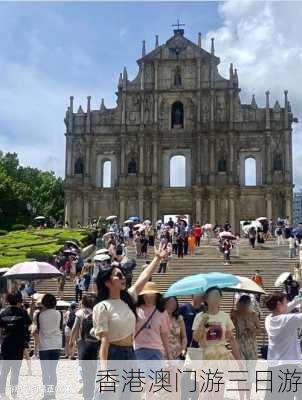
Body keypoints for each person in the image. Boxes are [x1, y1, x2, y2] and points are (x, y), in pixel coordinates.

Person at [92, 245, 168, 361]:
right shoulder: (102, 307)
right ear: (107, 282)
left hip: (131, 351)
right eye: (118, 275)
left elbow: (144, 277)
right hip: (113, 353)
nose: (123, 278)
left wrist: (157, 259)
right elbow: (104, 340)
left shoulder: (127, 298)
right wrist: (104, 369)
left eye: (122, 275)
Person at [192, 287, 242, 400]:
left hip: (220, 356)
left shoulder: (224, 316)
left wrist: (239, 360)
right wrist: (202, 323)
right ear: (206, 299)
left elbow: (231, 339)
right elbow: (195, 338)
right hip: (205, 355)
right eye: (212, 295)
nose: (215, 298)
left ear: (221, 299)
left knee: (218, 392)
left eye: (218, 296)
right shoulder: (199, 316)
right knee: (205, 392)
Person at [264, 292, 302, 400]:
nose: (287, 304)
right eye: (286, 302)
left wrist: (298, 299)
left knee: (273, 396)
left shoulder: (268, 319)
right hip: (289, 366)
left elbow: (285, 309)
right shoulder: (288, 320)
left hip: (273, 366)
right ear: (278, 304)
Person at [0, 293, 32, 399]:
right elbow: (29, 322)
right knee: (15, 371)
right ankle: (14, 394)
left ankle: (2, 394)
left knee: (4, 371)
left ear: (8, 301)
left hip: (6, 344)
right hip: (18, 345)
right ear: (18, 301)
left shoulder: (3, 313)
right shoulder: (22, 312)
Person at [33, 293, 63, 400]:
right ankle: (52, 394)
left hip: (44, 346)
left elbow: (36, 329)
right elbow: (60, 327)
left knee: (45, 372)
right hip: (56, 345)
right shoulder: (59, 313)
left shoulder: (39, 315)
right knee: (53, 371)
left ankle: (47, 394)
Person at [231, 295, 261, 400]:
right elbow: (231, 328)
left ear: (248, 304)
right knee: (241, 373)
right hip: (239, 345)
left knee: (250, 374)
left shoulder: (254, 315)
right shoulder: (236, 314)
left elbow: (260, 331)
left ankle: (248, 397)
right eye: (241, 304)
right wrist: (232, 317)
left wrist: (252, 328)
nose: (243, 306)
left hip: (251, 346)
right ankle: (241, 398)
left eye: (245, 304)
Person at [69, 294, 99, 400]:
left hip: (84, 344)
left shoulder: (80, 313)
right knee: (93, 371)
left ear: (83, 302)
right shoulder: (97, 313)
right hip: (96, 345)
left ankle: (87, 394)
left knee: (85, 369)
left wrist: (71, 342)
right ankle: (91, 391)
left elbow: (74, 329)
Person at [134, 282, 171, 361]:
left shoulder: (162, 312)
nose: (148, 298)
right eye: (146, 295)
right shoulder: (136, 310)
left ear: (156, 296)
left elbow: (164, 335)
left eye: (151, 295)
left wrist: (168, 354)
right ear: (142, 296)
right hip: (138, 349)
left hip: (156, 351)